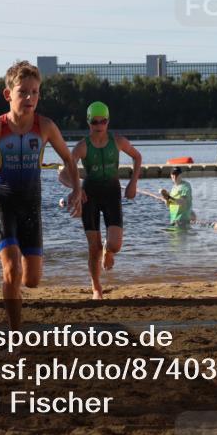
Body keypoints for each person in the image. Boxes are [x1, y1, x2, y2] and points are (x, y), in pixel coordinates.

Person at [0, 60, 81, 331]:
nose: (29, 98)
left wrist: (77, 190)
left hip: (31, 207)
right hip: (3, 203)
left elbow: (69, 159)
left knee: (31, 280)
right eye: (23, 92)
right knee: (12, 270)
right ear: (8, 94)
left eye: (34, 92)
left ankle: (12, 279)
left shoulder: (45, 126)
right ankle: (15, 335)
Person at [62, 101, 142, 300]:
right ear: (88, 122)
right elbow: (63, 174)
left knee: (115, 245)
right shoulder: (82, 146)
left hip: (112, 193)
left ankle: (109, 251)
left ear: (108, 121)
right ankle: (96, 288)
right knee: (94, 248)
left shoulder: (118, 141)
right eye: (95, 122)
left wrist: (133, 183)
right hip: (89, 195)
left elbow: (137, 157)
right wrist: (77, 188)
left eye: (103, 121)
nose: (99, 126)